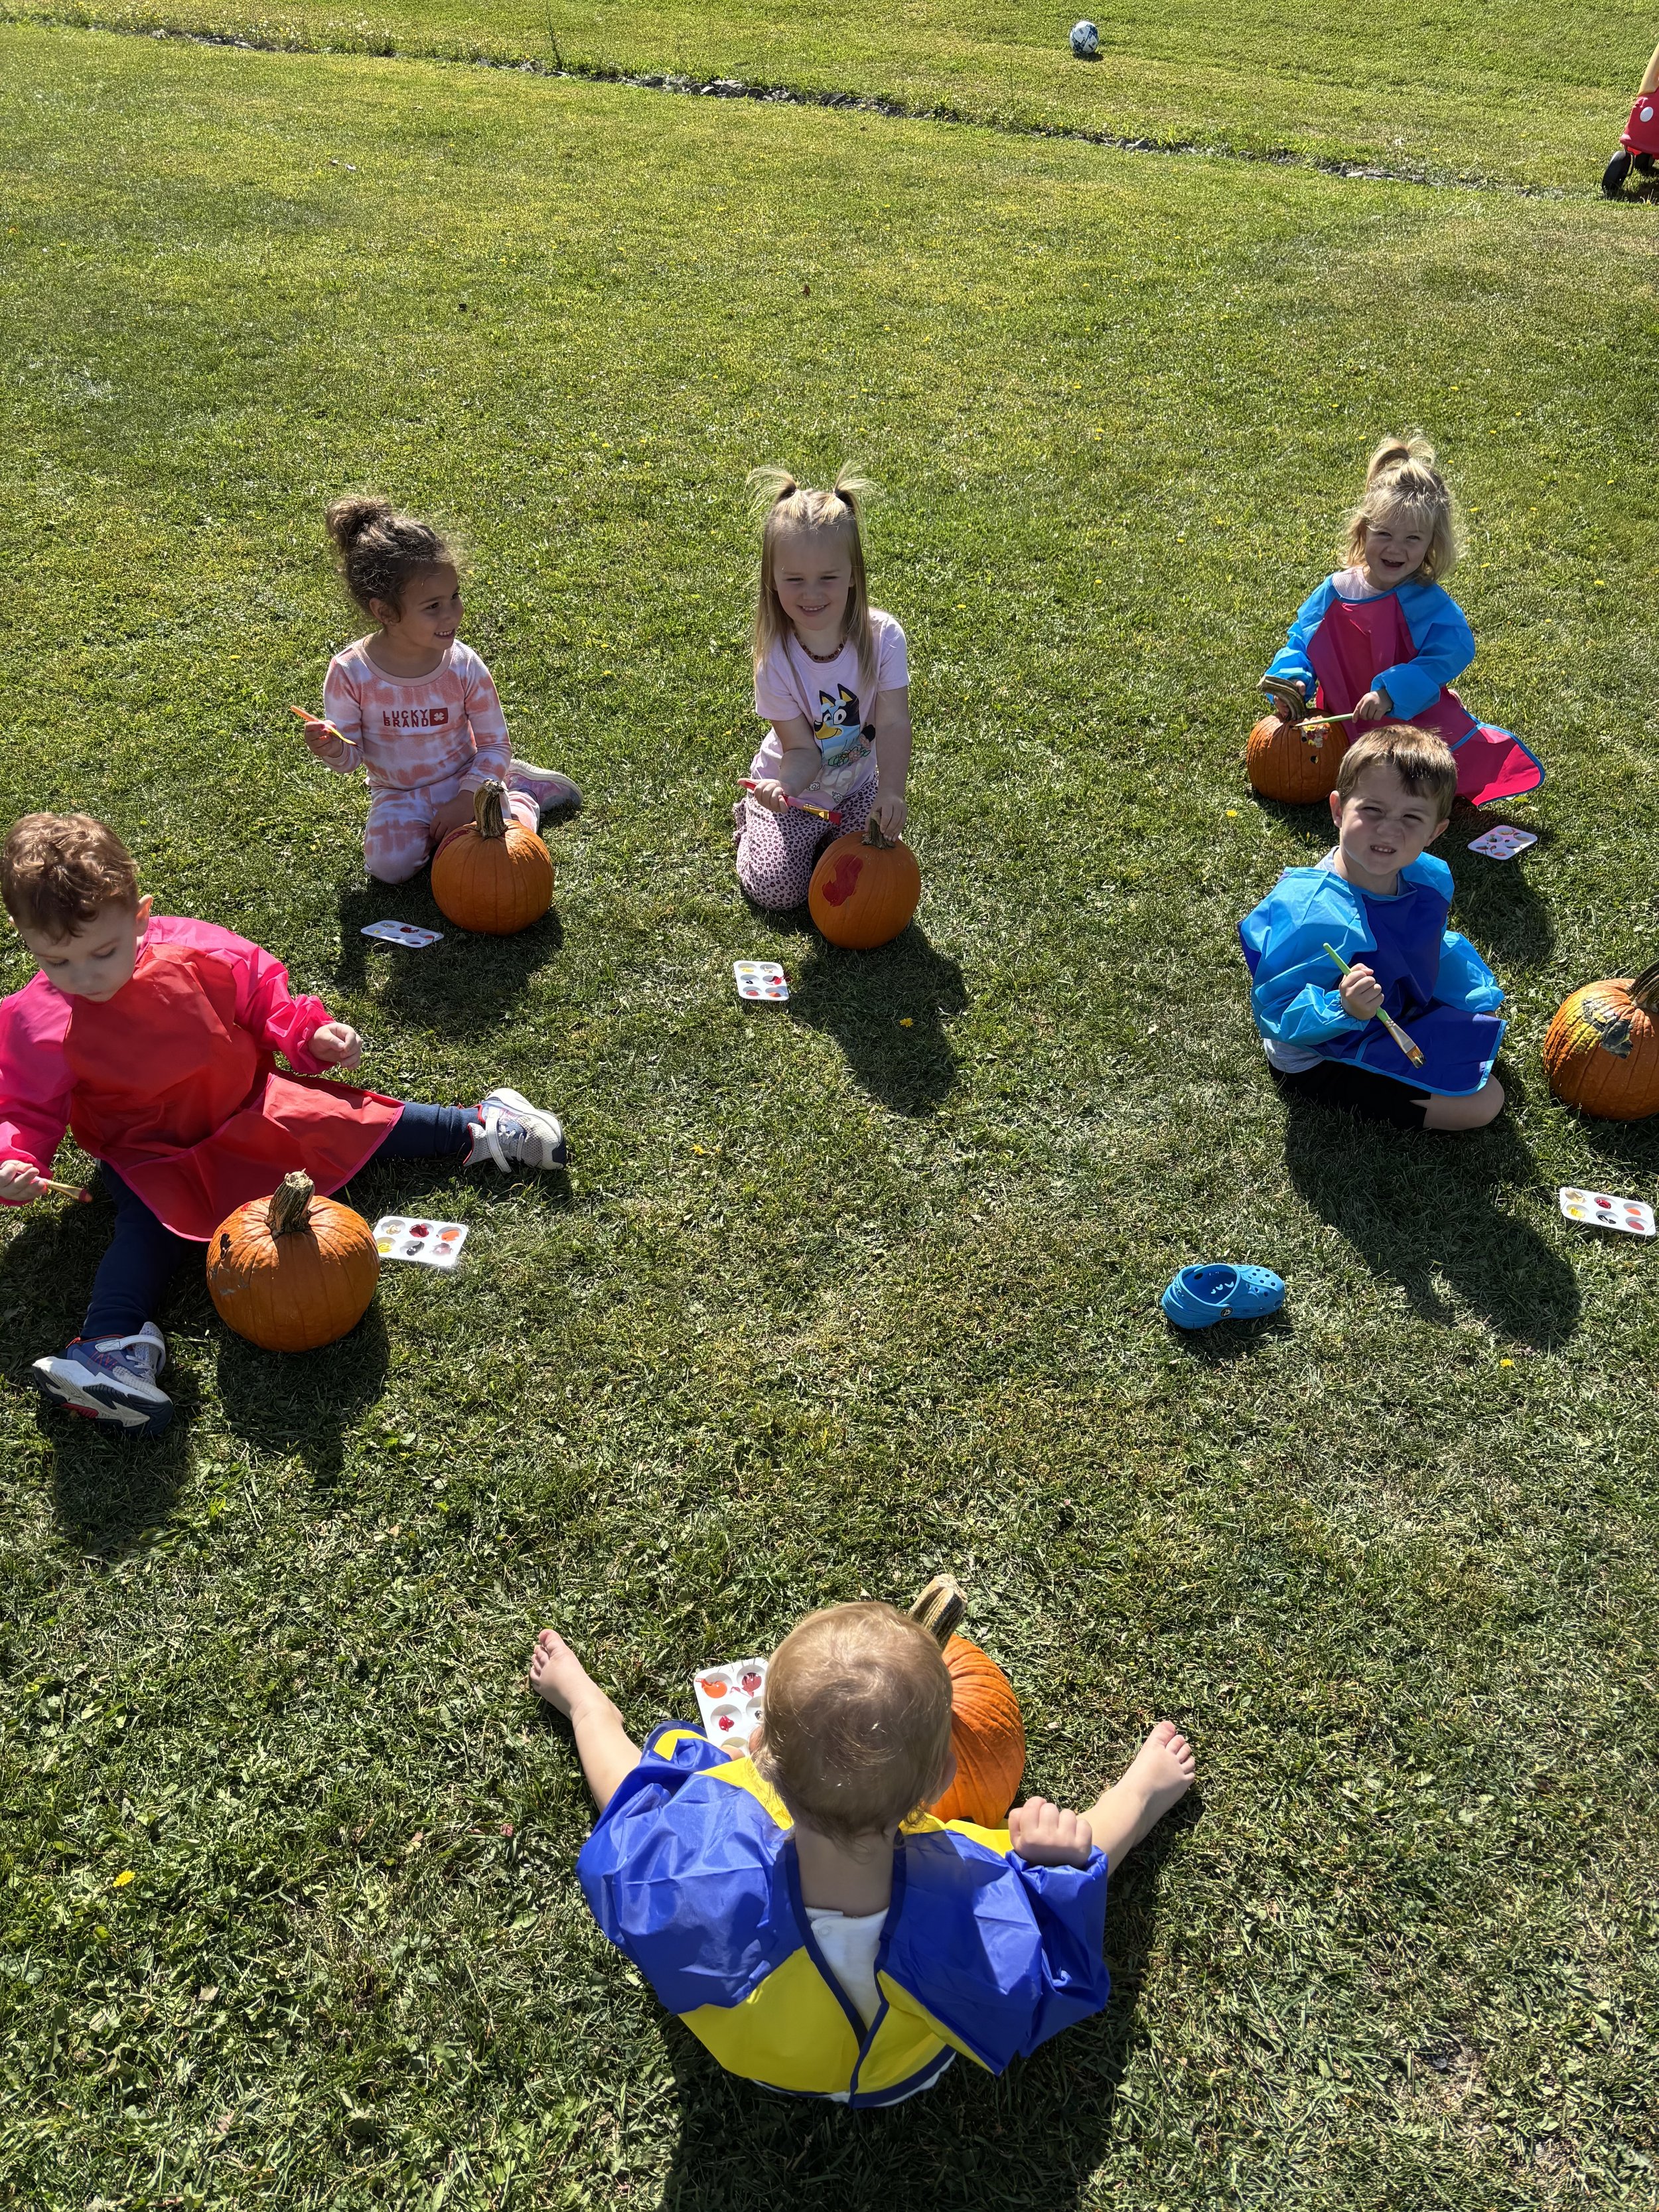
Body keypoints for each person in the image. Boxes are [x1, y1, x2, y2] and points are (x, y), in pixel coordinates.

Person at [0, 814, 568, 1436]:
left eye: (103, 951)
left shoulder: (194, 951)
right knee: (142, 1235)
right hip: (151, 1154)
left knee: (355, 1117)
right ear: (28, 942)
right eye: (58, 960)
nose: (86, 976)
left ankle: (479, 1126)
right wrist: (17, 1158)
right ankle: (110, 1346)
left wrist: (310, 1034)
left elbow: (264, 1000)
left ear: (140, 917)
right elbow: (23, 1106)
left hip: (253, 1104)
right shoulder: (39, 1020)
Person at [528, 1602, 1195, 2108]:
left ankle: (586, 1704)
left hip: (751, 2055)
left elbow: (629, 1810)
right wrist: (1065, 1863)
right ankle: (1147, 1789)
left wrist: (590, 1712)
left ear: (760, 1751)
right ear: (940, 1784)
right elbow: (1042, 1965)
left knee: (643, 1792)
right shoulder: (971, 1880)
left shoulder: (698, 1855)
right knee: (1058, 1868)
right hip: (892, 2077)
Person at [299, 497, 579, 884]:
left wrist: (467, 800)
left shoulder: (463, 664)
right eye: (433, 606)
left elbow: (495, 745)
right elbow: (351, 757)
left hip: (469, 779)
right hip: (399, 793)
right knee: (389, 870)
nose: (452, 614)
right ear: (385, 612)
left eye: (455, 596)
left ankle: (523, 795)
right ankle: (445, 837)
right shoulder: (351, 672)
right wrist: (331, 748)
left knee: (511, 845)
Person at [1239, 727, 1507, 1132]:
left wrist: (1468, 994)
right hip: (1321, 1049)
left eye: (1412, 817)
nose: (1388, 831)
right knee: (1483, 1103)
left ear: (1435, 832)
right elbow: (1278, 1008)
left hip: (1391, 1007)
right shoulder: (1312, 911)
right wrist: (1343, 1007)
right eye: (1372, 810)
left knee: (1478, 1032)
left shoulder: (1426, 878)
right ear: (1337, 810)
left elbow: (1428, 943)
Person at [1260, 435, 1542, 808]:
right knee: (1342, 771)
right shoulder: (1336, 591)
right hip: (1344, 718)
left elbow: (1452, 651)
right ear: (1363, 531)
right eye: (1384, 534)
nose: (1396, 549)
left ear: (1431, 545)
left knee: (1419, 781)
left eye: (1413, 539)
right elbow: (1302, 642)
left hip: (1407, 718)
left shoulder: (1424, 600)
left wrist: (1392, 692)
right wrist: (1293, 680)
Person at [735, 468, 912, 910]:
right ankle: (753, 821)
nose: (811, 593)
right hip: (795, 795)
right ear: (771, 579)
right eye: (794, 580)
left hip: (856, 789)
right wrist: (782, 789)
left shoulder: (883, 638)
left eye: (827, 578)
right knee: (779, 893)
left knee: (873, 875)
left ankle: (822, 843)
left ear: (853, 574)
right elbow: (802, 749)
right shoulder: (775, 660)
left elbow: (892, 722)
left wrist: (890, 791)